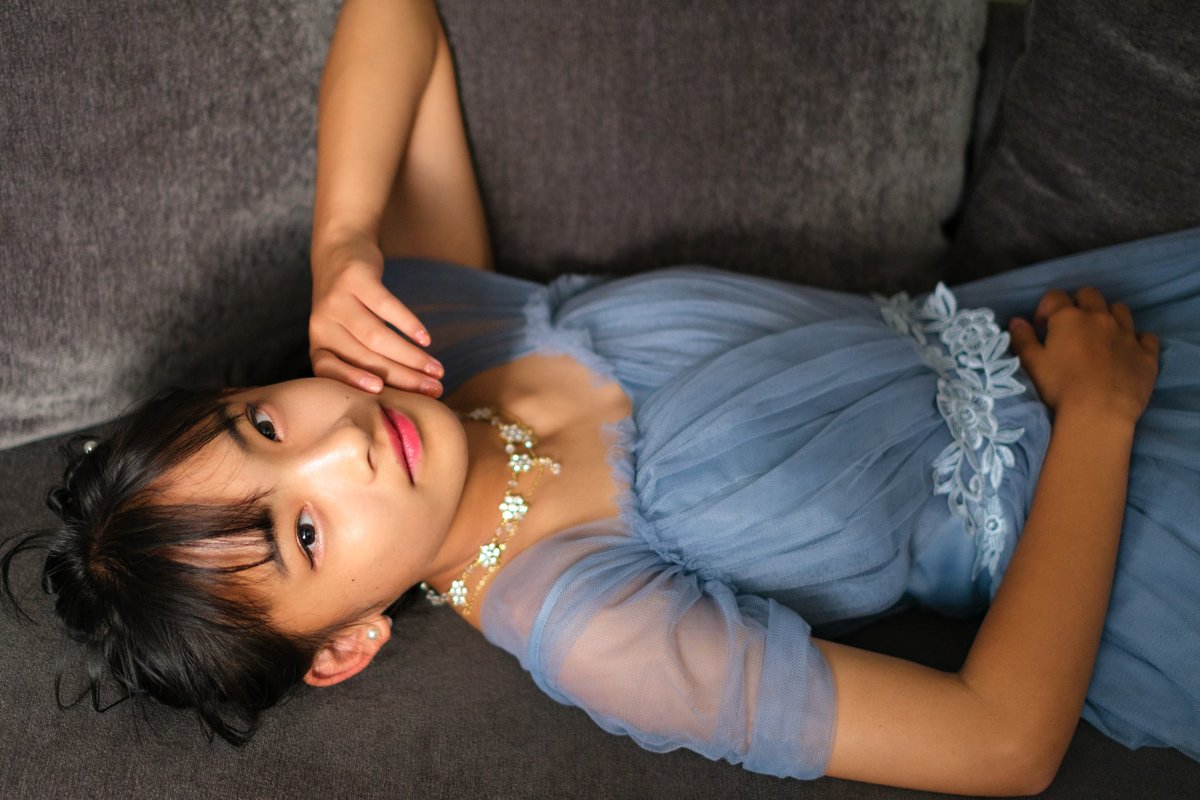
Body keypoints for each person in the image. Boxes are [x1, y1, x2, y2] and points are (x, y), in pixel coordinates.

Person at [2, 0, 1197, 794]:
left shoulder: (431, 331)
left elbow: (398, 13)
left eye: (266, 424)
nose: (344, 441)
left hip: (1083, 317)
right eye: (304, 533)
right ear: (345, 646)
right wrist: (1095, 420)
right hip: (1133, 527)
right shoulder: (594, 625)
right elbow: (1001, 741)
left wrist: (343, 239)